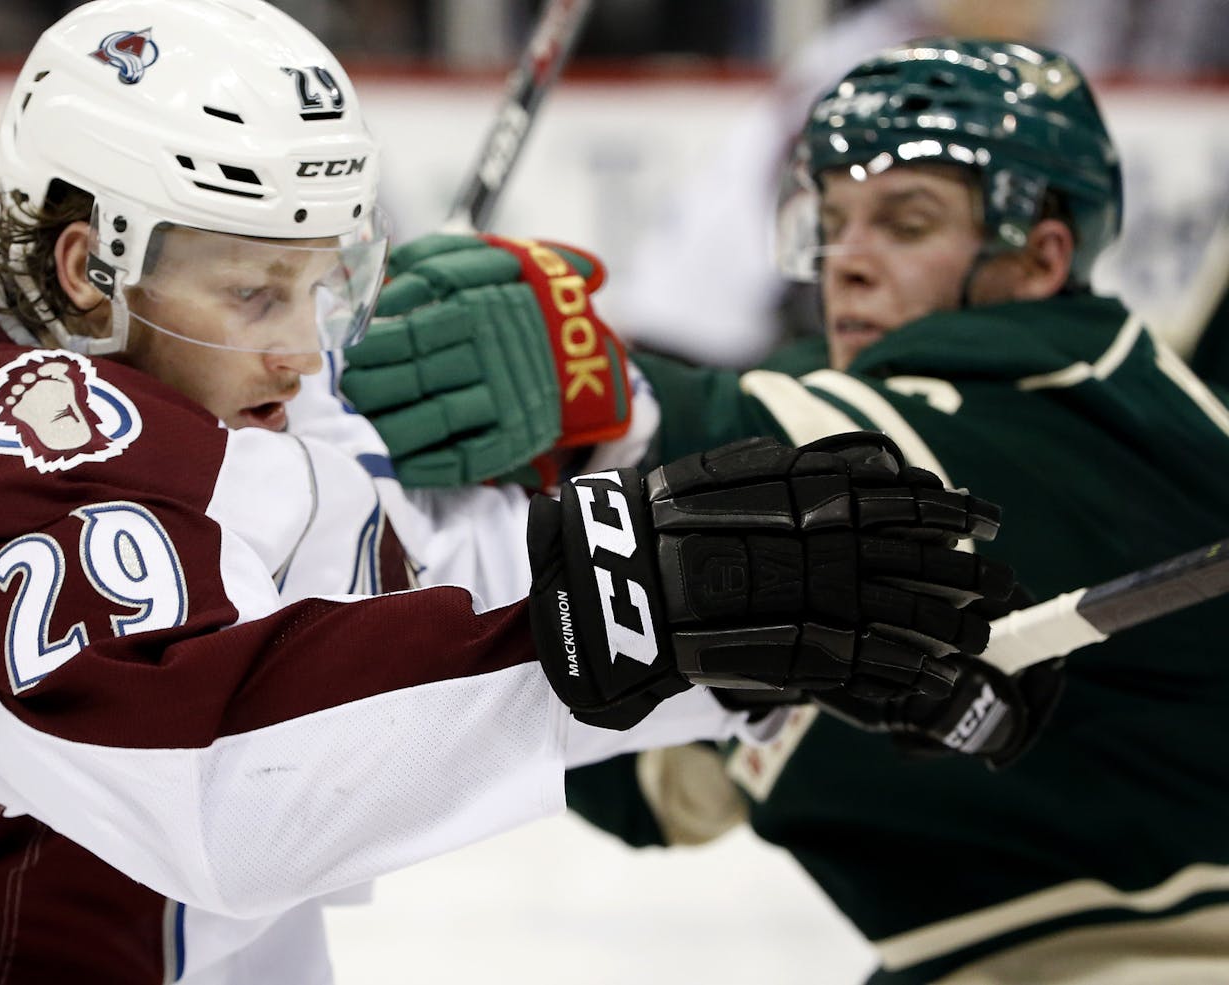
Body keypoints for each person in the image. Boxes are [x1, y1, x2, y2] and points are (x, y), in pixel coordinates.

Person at [0, 3, 1017, 982]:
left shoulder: (194, 366)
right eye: (254, 291)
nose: (301, 347)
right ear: (87, 265)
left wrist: (745, 611)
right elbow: (226, 781)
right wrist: (644, 615)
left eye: (320, 281)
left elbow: (399, 581)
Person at [342, 37, 1229, 984]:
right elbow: (662, 787)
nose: (846, 261)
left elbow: (810, 455)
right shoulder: (862, 445)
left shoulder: (1095, 402)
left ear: (1041, 256)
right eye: (833, 220)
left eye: (908, 221)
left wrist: (607, 392)